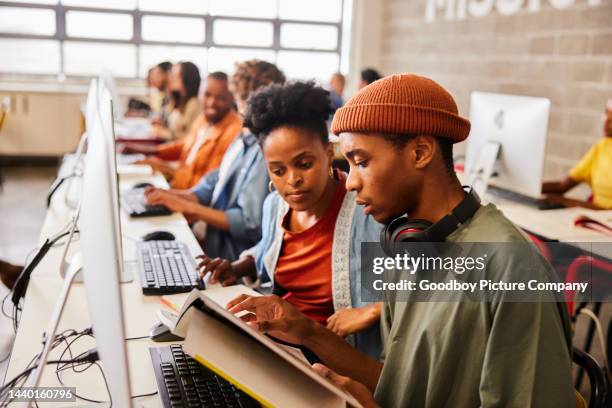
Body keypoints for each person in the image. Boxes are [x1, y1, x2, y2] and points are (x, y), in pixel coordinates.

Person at [226, 74, 575, 407]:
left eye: (361, 162)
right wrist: (304, 331)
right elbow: (395, 385)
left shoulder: (512, 269)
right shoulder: (408, 249)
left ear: (421, 152)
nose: (349, 182)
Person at [197, 81, 382, 357]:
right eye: (278, 170)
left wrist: (376, 309)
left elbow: (450, 277)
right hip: (276, 345)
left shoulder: (367, 212)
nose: (292, 180)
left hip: (329, 358)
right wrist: (237, 267)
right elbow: (268, 249)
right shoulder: (275, 206)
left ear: (329, 154)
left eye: (304, 164)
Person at [145, 60, 286, 261]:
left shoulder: (268, 149)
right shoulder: (242, 138)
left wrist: (188, 207)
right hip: (212, 244)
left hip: (231, 259)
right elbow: (211, 184)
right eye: (244, 97)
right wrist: (172, 196)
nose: (250, 105)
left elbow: (248, 223)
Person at [121, 72, 242, 190]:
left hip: (189, 195)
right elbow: (185, 145)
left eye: (220, 98)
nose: (211, 103)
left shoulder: (234, 132)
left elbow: (205, 186)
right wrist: (149, 151)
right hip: (179, 183)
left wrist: (166, 169)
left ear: (231, 98)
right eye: (207, 95)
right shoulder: (204, 119)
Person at [542, 98, 612, 209]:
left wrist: (579, 204)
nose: (606, 120)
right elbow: (562, 186)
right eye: (606, 112)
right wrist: (528, 188)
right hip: (592, 220)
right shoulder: (602, 147)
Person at [153, 61, 201, 141]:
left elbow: (190, 137)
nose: (171, 78)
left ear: (187, 78)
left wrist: (165, 133)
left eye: (176, 75)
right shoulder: (180, 101)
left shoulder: (193, 103)